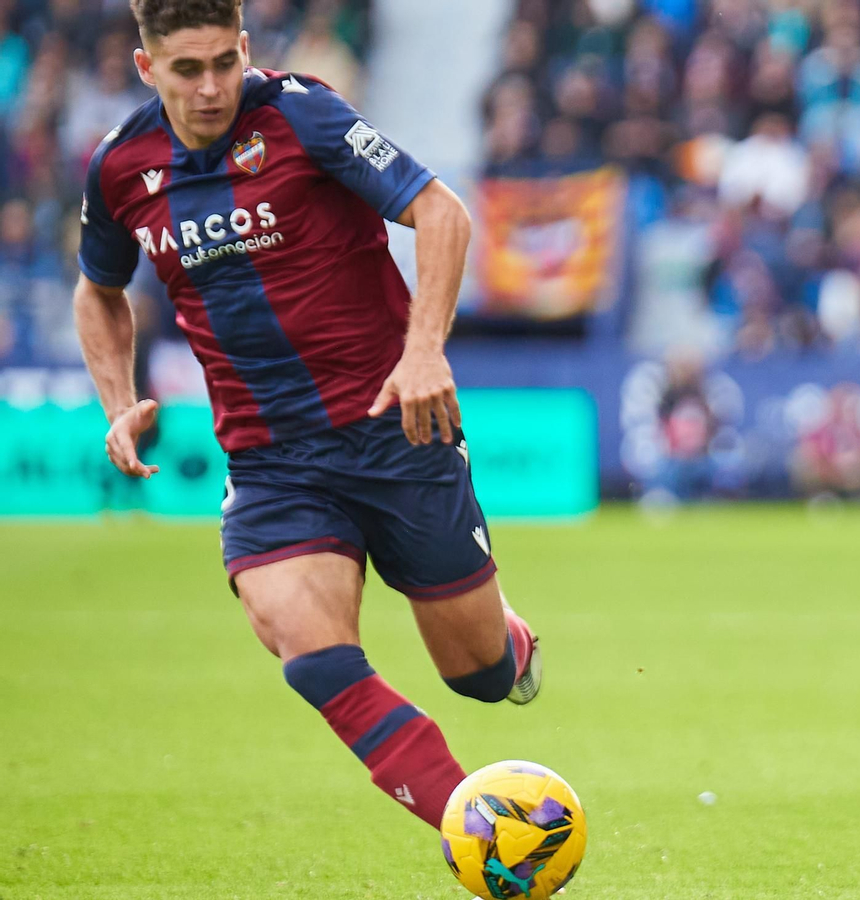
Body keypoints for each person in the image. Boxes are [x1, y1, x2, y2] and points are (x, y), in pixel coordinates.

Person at [74, 0, 541, 831]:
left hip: (395, 428)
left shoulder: (302, 114)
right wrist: (116, 400)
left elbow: (442, 212)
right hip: (269, 461)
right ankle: (479, 830)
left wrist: (424, 350)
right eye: (188, 69)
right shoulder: (119, 168)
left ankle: (507, 640)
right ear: (148, 70)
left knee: (479, 672)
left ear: (244, 47)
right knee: (307, 648)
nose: (213, 87)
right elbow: (99, 290)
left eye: (225, 61)